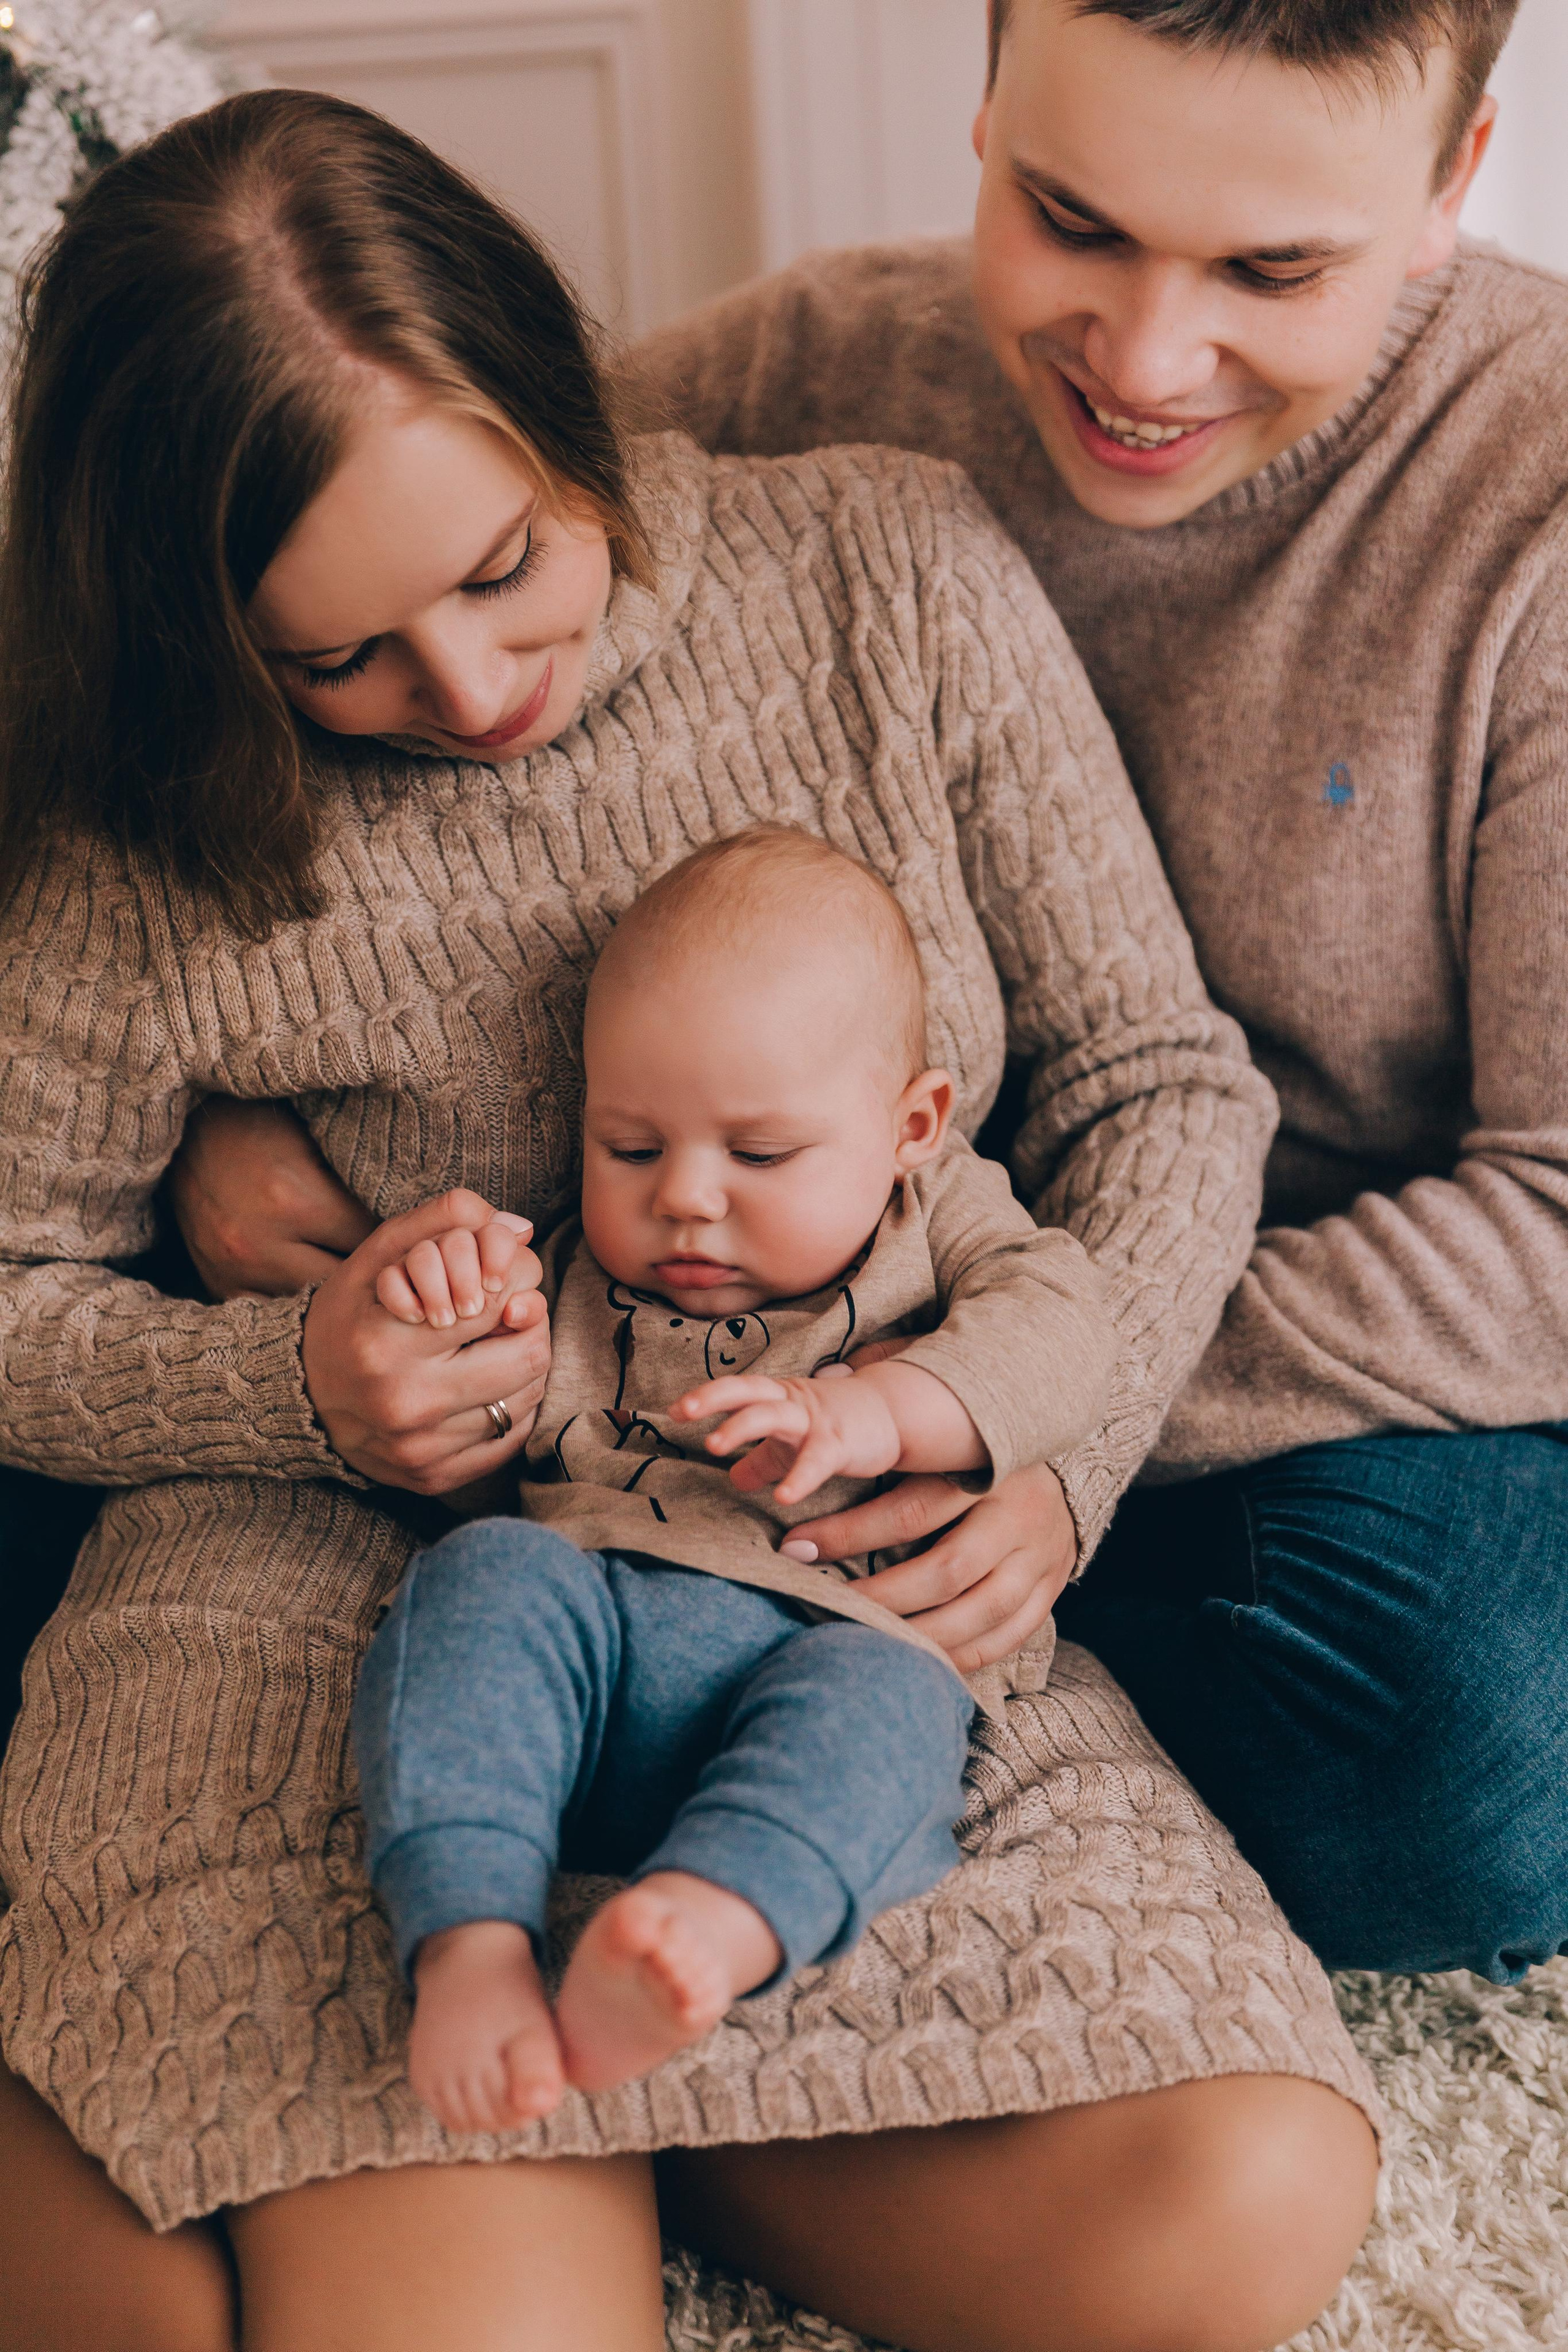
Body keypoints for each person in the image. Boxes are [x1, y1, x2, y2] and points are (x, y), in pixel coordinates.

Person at [0, 85, 1378, 2352]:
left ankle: (633, 2079)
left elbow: (1160, 1083)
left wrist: (1045, 1452)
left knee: (1240, 2197)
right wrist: (300, 1377)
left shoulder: (887, 572)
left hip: (832, 1574)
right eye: (331, 659)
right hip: (353, 1593)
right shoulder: (150, 817)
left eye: (503, 566)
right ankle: (459, 2104)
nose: (462, 696)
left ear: (569, 412)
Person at [164, 0, 1568, 1983]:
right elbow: (375, 566)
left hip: (1291, 1375)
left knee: (1491, 1752)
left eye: (1273, 269)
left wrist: (1028, 1415)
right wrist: (203, 1119)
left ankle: (746, 1768)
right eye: (1073, 219)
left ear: (1455, 183)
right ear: (983, 115)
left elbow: (1554, 1222)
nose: (1149, 359)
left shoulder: (1539, 492)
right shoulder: (809, 376)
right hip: (703, 1319)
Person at [353, 827, 1116, 2131]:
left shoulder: (941, 1219)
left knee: (892, 1711)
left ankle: (703, 1922)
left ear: (909, 1127)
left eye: (759, 1157)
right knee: (482, 1578)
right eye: (631, 1149)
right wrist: (439, 1309)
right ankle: (468, 1940)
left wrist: (880, 1412)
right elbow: (472, 1410)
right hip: (593, 1636)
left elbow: (1069, 1326)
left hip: (837, 1635)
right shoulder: (575, 1272)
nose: (687, 1202)